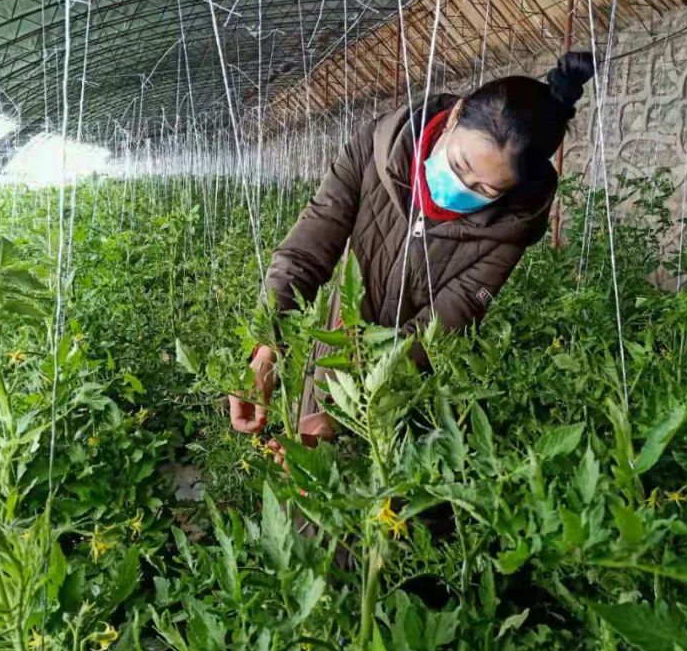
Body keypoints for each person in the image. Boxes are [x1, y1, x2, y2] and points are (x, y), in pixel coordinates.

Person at [229, 51, 595, 459]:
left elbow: (444, 324)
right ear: (455, 115)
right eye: (458, 163)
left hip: (414, 383)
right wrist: (265, 345)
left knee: (392, 496)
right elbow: (308, 246)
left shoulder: (508, 228)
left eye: (486, 189)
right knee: (310, 487)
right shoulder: (376, 146)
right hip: (337, 343)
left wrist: (353, 413)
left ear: (512, 189)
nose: (460, 186)